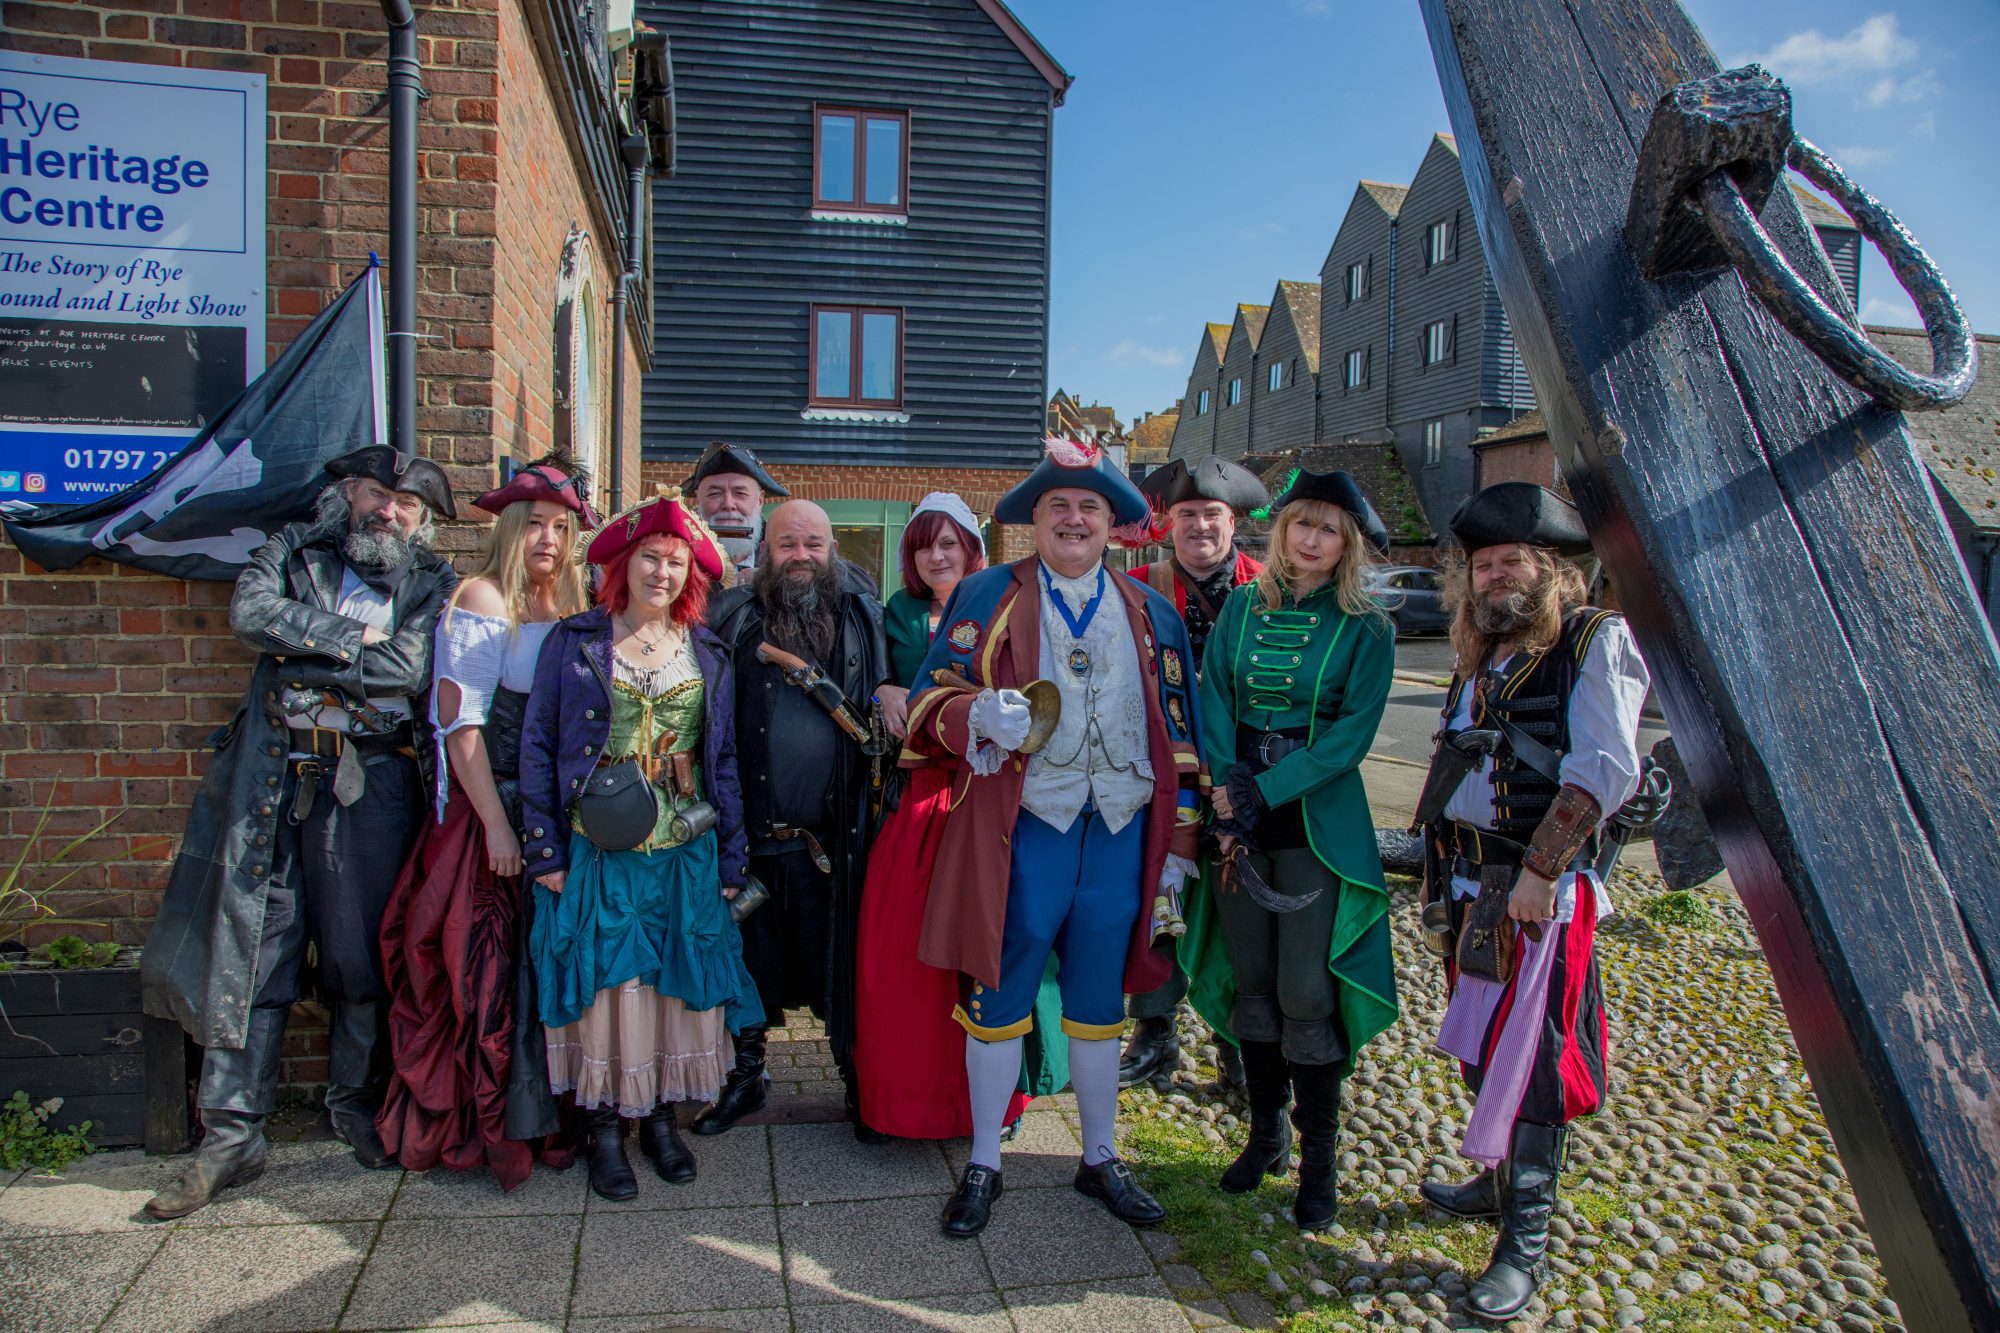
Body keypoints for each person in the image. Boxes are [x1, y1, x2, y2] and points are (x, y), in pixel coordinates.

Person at [143, 445, 459, 1219]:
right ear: (350, 493)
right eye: (378, 493)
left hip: (373, 784)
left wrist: (299, 658)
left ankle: (352, 1102)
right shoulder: (293, 554)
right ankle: (232, 1134)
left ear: (422, 520)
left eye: (407, 503)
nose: (389, 511)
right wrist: (350, 641)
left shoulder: (435, 581)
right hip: (273, 779)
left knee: (362, 951)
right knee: (254, 946)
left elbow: (407, 668)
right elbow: (249, 615)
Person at [902, 435, 1206, 1239]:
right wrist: (975, 712)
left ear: (1112, 522)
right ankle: (984, 1160)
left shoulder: (1153, 612)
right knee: (999, 994)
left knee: (1102, 999)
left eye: (1089, 507)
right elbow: (927, 702)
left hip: (1119, 832)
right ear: (1034, 519)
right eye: (1058, 505)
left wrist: (1179, 846)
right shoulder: (986, 593)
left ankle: (1099, 1155)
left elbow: (1182, 735)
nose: (1074, 518)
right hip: (1024, 829)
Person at [1413, 483, 1648, 1324]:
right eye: (1483, 565)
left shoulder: (1592, 639)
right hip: (1473, 890)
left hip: (1537, 896)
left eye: (1512, 561)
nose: (1495, 576)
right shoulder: (1482, 653)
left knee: (1536, 1062)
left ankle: (1525, 1241)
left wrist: (1542, 871)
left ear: (1551, 569)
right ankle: (1496, 1181)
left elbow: (1605, 770)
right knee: (1485, 1047)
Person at [518, 493, 763, 1200]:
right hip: (599, 845)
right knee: (607, 983)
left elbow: (722, 762)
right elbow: (537, 745)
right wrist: (545, 851)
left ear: (692, 576)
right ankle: (604, 1128)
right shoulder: (574, 642)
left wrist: (731, 857)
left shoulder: (707, 650)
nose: (662, 572)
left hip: (685, 845)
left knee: (667, 984)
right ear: (624, 564)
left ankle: (658, 1119)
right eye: (651, 558)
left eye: (676, 563)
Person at [1180, 468, 1400, 1232]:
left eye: (1327, 529)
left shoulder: (1368, 627)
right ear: (1280, 530)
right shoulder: (1242, 606)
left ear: (1347, 544)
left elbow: (1349, 738)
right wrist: (1225, 788)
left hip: (1314, 823)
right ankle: (1265, 1137)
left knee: (1306, 992)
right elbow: (1213, 697)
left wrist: (1263, 791)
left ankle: (1319, 1164)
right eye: (1301, 523)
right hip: (1237, 820)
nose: (1311, 539)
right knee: (1253, 985)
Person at [375, 454, 597, 1189]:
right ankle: (495, 1128)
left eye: (560, 528)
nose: (547, 539)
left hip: (554, 815)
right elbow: (459, 726)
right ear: (508, 530)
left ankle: (552, 1114)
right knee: (489, 974)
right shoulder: (481, 597)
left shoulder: (569, 604)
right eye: (534, 525)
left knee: (546, 969)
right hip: (489, 818)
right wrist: (499, 828)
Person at [852, 494, 1066, 1138]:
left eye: (950, 543)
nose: (937, 556)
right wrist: (884, 688)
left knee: (998, 945)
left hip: (995, 793)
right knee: (906, 954)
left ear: (974, 550)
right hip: (925, 796)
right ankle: (911, 1102)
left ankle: (993, 1102)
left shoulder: (1012, 603)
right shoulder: (894, 611)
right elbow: (874, 675)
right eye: (924, 544)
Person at [701, 499, 891, 1136]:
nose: (801, 556)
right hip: (753, 835)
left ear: (832, 550)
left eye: (813, 544)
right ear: (765, 550)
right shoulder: (732, 617)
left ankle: (856, 1079)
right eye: (788, 544)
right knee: (747, 962)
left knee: (839, 964)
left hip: (834, 839)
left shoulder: (863, 617)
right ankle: (746, 1075)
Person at [1118, 455, 1269, 1091]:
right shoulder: (1138, 585)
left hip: (1248, 773)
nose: (1200, 526)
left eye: (1212, 514)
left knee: (1242, 905)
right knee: (1158, 897)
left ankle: (1238, 1040)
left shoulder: (1271, 588)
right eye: (1187, 515)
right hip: (1163, 773)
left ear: (1233, 522)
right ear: (1168, 523)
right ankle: (1156, 1031)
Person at [686, 440, 789, 576]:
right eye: (715, 494)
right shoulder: (674, 558)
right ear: (698, 499)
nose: (728, 504)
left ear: (760, 500)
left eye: (740, 493)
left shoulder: (783, 561)